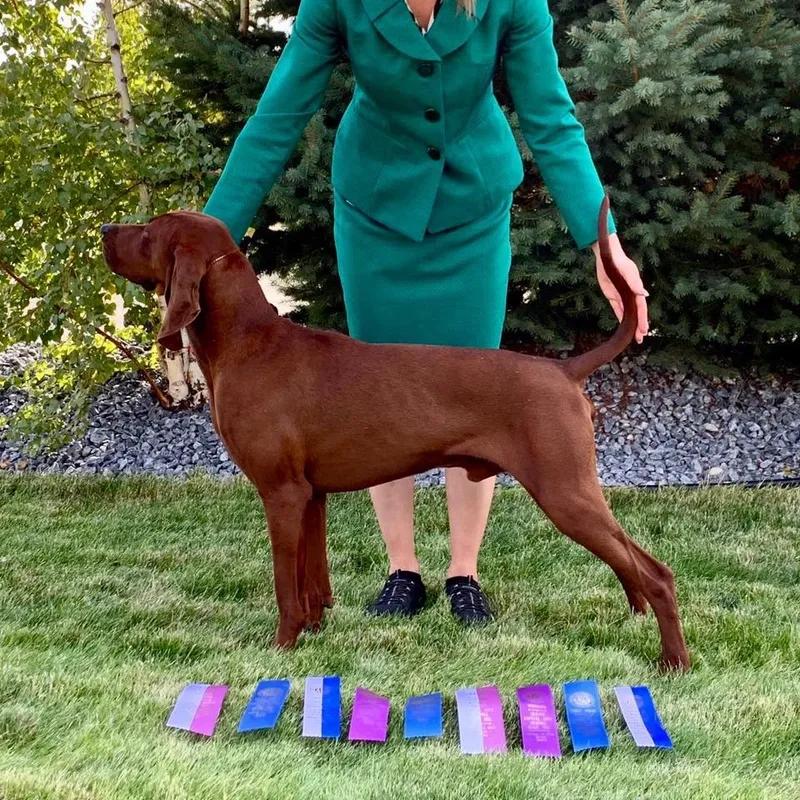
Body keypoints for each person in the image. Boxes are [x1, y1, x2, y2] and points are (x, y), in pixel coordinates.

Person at [201, 0, 650, 627]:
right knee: (376, 394)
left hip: (472, 210)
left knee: (475, 390)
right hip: (377, 210)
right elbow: (277, 118)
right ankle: (402, 568)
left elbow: (551, 119)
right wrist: (206, 244)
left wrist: (605, 246)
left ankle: (464, 571)